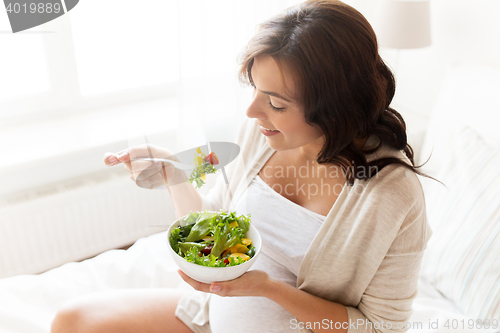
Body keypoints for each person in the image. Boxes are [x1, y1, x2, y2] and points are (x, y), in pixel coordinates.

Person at [50, 1, 433, 332]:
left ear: (335, 107)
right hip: (211, 318)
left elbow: (379, 328)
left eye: (276, 103)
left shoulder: (393, 196)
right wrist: (175, 175)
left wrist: (268, 288)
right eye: (254, 89)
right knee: (72, 321)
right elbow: (213, 227)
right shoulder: (264, 134)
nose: (252, 111)